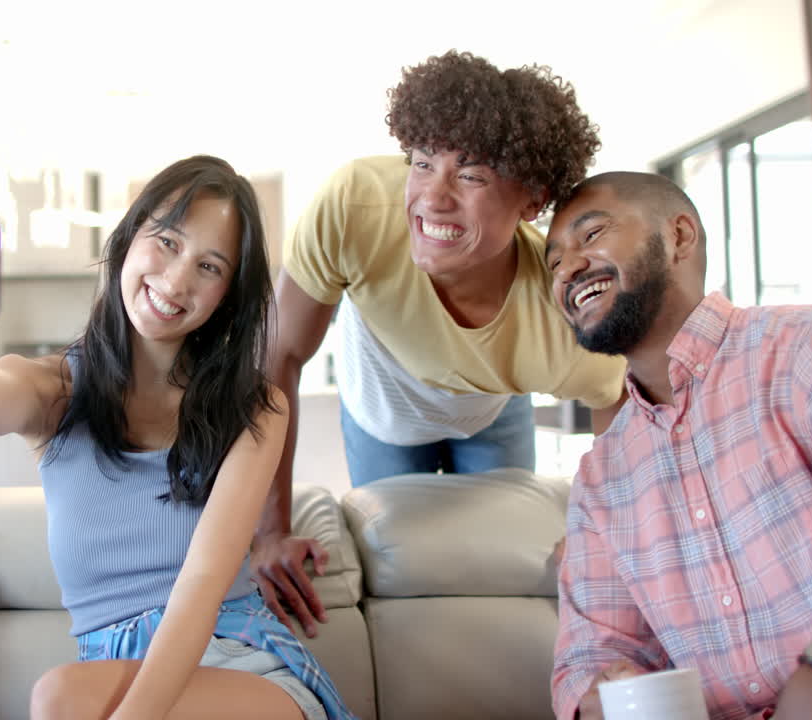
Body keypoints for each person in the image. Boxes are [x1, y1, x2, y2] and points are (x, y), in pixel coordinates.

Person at [0, 156, 355, 720]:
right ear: (129, 237)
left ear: (228, 293)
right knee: (64, 695)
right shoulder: (52, 390)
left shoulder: (256, 408)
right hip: (112, 674)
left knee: (62, 697)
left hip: (244, 664)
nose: (176, 281)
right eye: (168, 242)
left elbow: (201, 582)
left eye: (210, 266)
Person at [253, 49, 628, 637]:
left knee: (501, 559)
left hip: (490, 406)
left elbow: (620, 408)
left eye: (472, 174)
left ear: (532, 200)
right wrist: (269, 529)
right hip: (382, 409)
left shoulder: (554, 322)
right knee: (396, 559)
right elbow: (278, 358)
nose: (432, 196)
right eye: (422, 163)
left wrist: (600, 534)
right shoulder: (354, 207)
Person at [547, 171, 812, 720]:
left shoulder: (808, 350)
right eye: (553, 261)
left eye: (591, 235)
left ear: (679, 236)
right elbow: (591, 659)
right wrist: (605, 693)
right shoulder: (601, 479)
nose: (567, 267)